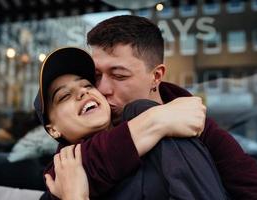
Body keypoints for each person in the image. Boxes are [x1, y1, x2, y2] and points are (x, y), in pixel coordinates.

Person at [85, 15, 257, 199]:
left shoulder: (202, 130)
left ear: (156, 76)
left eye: (119, 75)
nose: (102, 89)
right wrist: (155, 121)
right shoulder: (91, 123)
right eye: (96, 76)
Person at [35, 47, 228, 199]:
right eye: (64, 96)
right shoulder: (59, 180)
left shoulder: (149, 118)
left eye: (87, 85)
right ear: (53, 129)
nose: (83, 92)